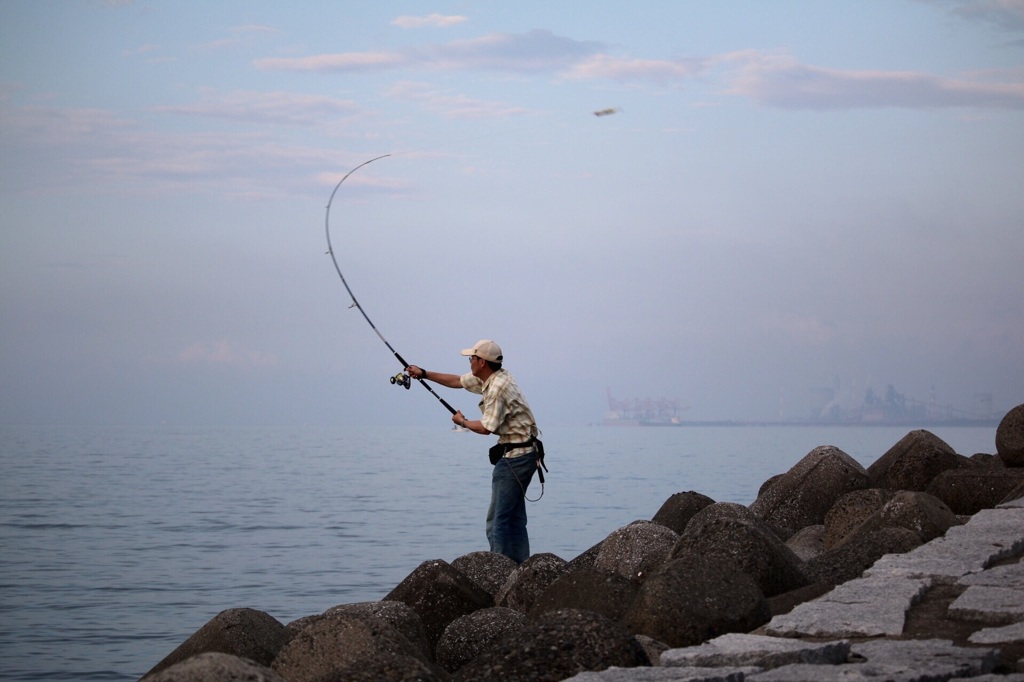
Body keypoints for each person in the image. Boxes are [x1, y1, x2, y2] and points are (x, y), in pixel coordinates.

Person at [406, 339, 541, 563]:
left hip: (516, 459)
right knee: (513, 518)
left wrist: (463, 422)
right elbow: (457, 381)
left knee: (497, 521)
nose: (469, 362)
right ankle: (520, 568)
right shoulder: (495, 376)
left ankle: (499, 571)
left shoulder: (497, 388)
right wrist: (424, 373)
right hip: (526, 453)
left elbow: (487, 428)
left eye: (472, 358)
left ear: (482, 362)